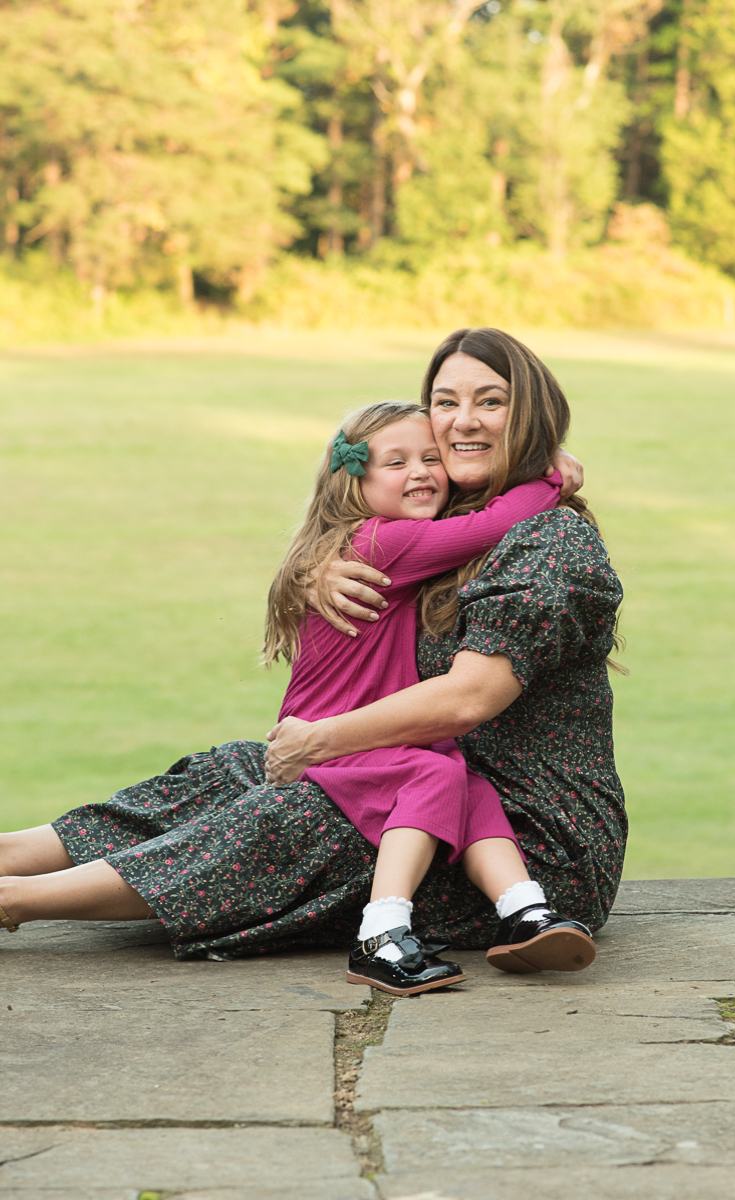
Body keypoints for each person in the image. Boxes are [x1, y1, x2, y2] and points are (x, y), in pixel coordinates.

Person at [0, 327, 625, 972]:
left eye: (490, 402)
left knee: (300, 809)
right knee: (234, 770)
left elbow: (469, 697)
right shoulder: (439, 516)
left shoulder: (548, 540)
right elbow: (352, 534)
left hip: (529, 840)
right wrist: (311, 570)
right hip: (416, 778)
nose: (462, 421)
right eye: (445, 402)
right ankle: (11, 853)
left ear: (532, 416)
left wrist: (321, 739)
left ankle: (19, 899)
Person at [264, 399, 587, 996]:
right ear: (353, 483)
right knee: (436, 775)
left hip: (371, 728)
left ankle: (524, 910)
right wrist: (550, 473)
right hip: (335, 734)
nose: (419, 472)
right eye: (397, 462)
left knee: (468, 784)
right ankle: (381, 933)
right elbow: (490, 527)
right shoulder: (386, 542)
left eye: (430, 458)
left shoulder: (361, 545)